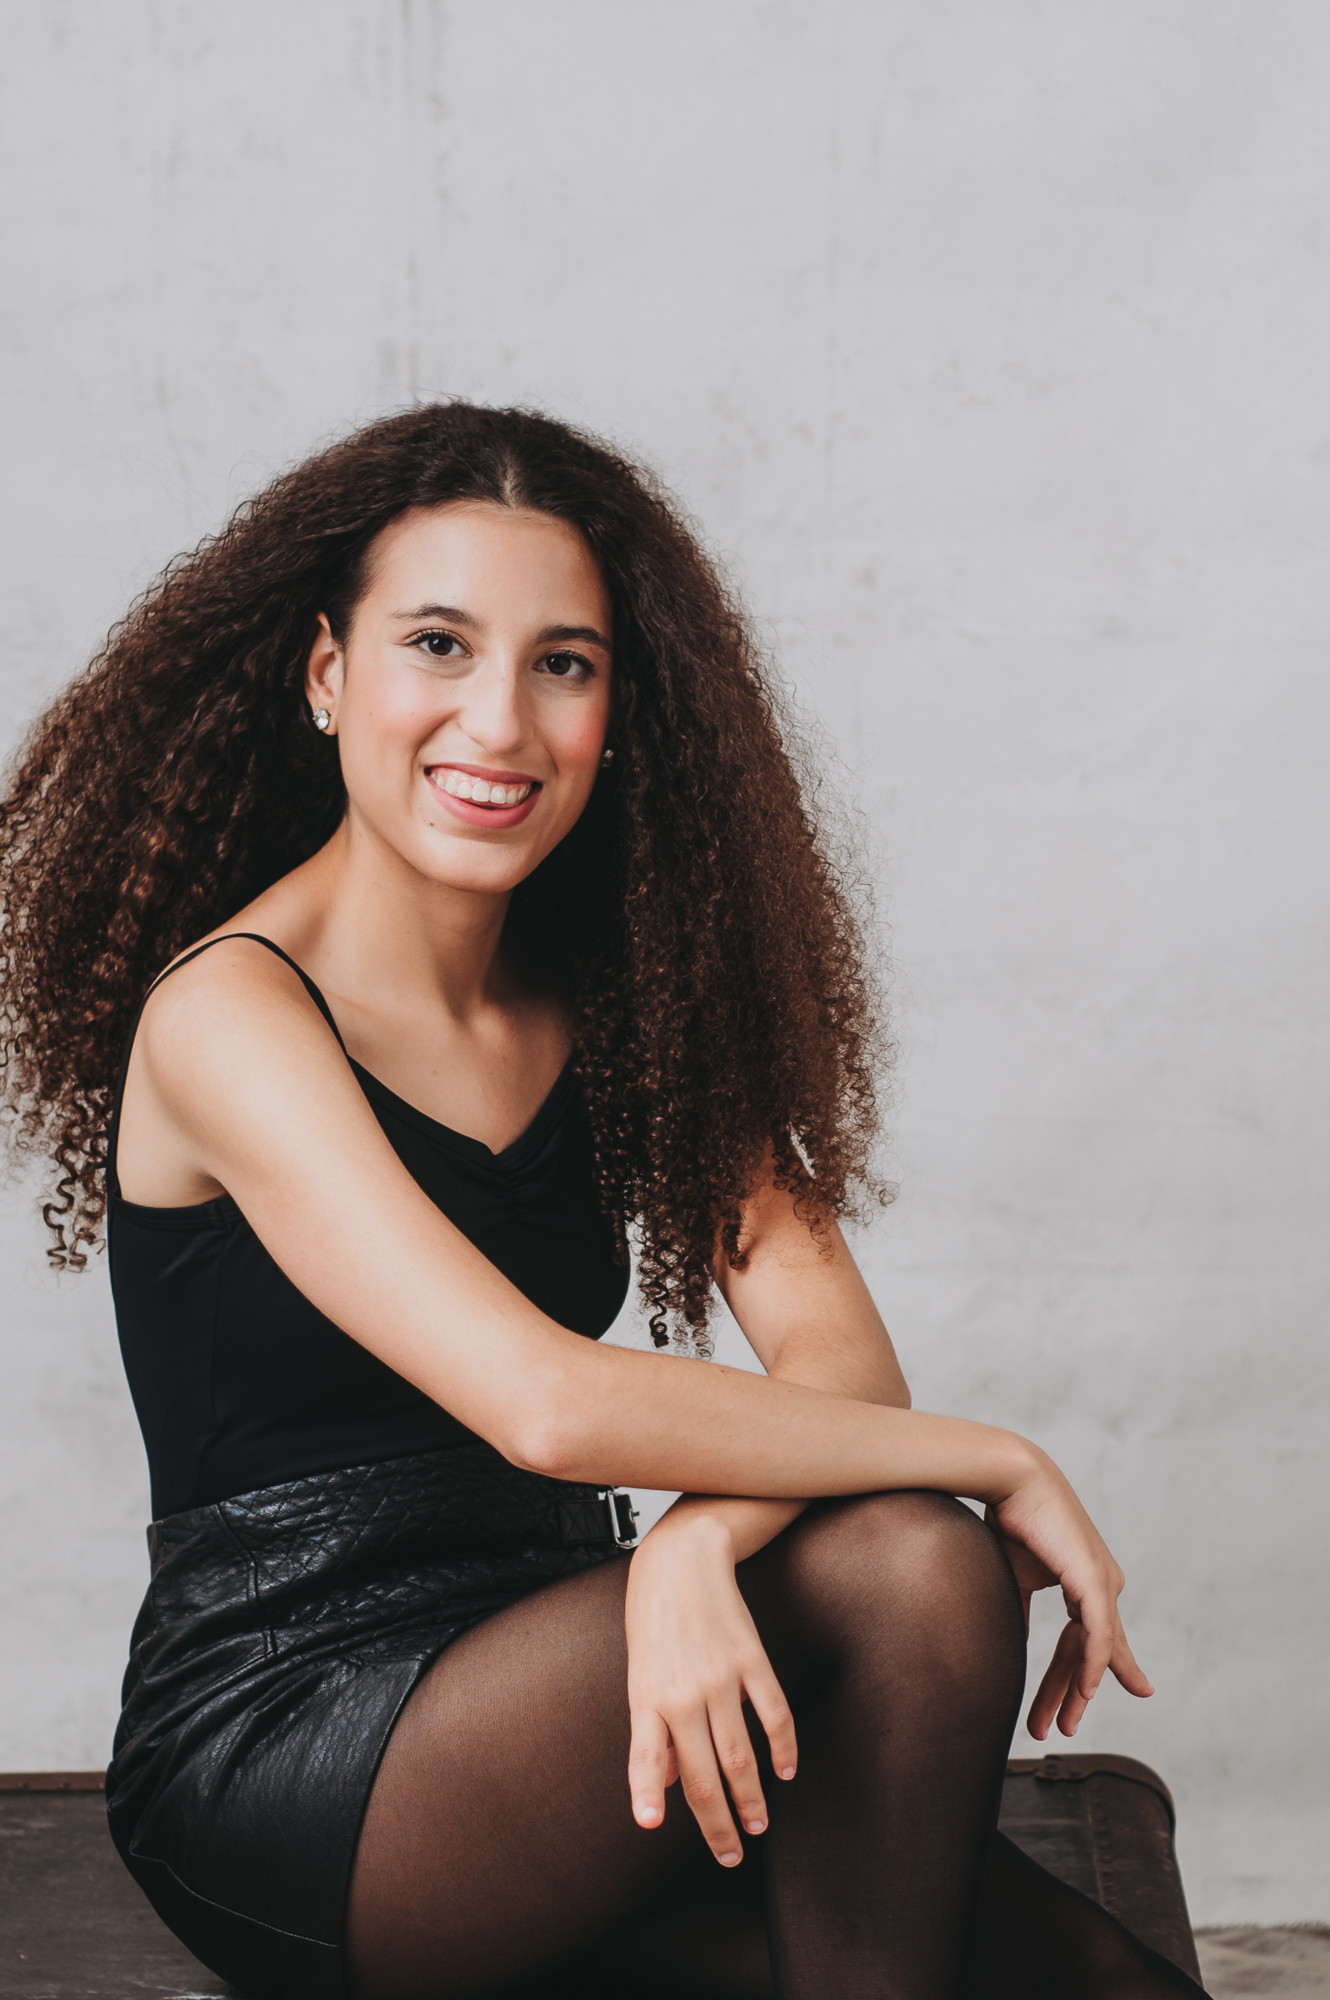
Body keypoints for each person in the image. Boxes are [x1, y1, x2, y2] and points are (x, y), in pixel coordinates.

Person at [0, 403, 1202, 2000]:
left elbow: (839, 1372)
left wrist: (691, 1548)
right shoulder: (232, 1014)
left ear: (621, 708)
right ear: (325, 673)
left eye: (562, 662)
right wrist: (1000, 1458)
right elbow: (547, 1409)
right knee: (916, 1553)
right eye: (438, 643)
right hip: (302, 1746)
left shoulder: (622, 1004)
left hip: (576, 1665)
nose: (496, 721)